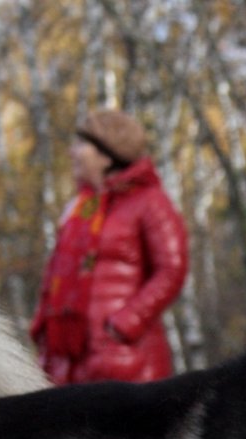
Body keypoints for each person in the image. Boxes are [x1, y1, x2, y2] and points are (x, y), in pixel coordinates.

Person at [30, 109, 188, 384]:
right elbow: (55, 272)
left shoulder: (150, 201)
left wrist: (124, 324)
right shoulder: (81, 207)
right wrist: (42, 328)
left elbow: (172, 269)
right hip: (67, 365)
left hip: (125, 363)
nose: (72, 152)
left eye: (81, 144)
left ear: (105, 155)